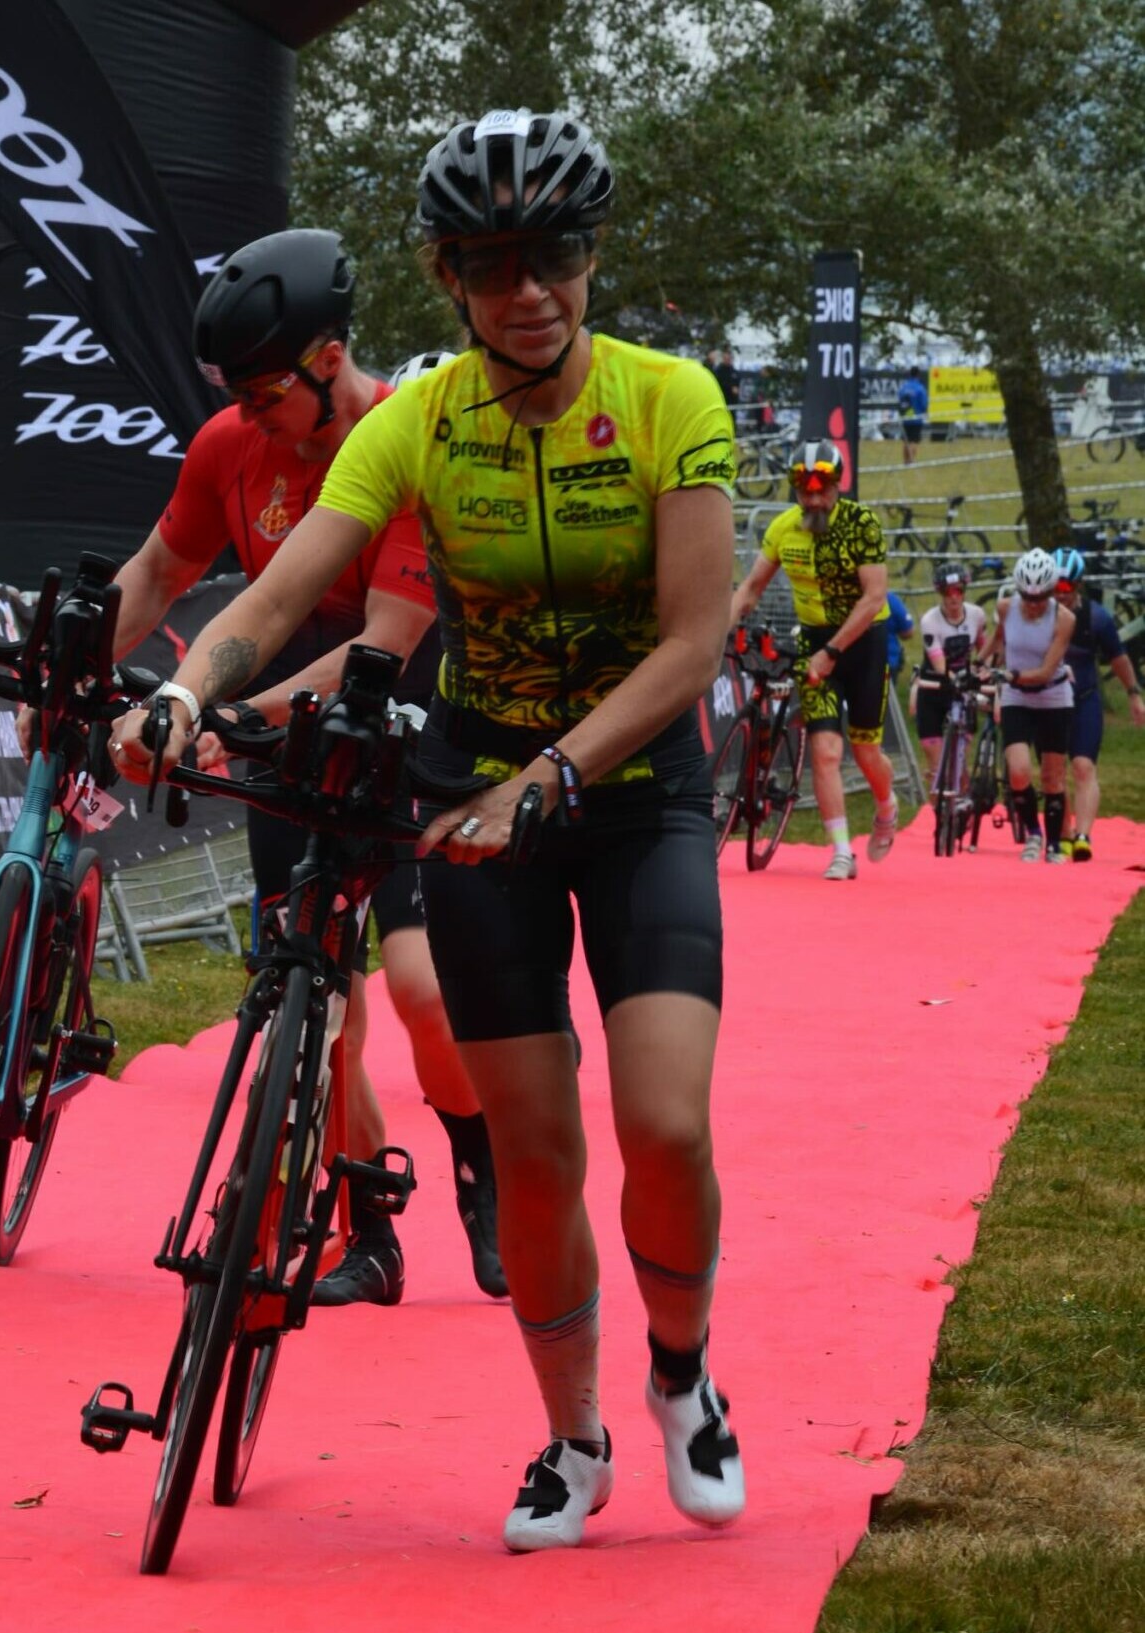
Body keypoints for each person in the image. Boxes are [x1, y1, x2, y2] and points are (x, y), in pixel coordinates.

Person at [115, 108, 744, 1552]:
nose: (527, 289)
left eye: (556, 253)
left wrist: (553, 778)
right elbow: (274, 599)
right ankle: (571, 1440)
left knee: (658, 1120)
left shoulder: (669, 400)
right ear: (445, 274)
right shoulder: (418, 419)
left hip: (636, 792)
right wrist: (183, 690)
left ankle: (680, 1369)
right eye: (489, 261)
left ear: (591, 259)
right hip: (473, 796)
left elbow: (689, 647)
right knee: (531, 1149)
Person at [96, 229, 503, 1305]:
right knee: (313, 1013)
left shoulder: (406, 437)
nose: (247, 413)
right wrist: (101, 677)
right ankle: (370, 1234)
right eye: (233, 392)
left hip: (396, 716)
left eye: (265, 390)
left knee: (418, 990)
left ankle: (478, 1155)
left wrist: (221, 716)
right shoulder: (231, 443)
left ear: (330, 359)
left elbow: (389, 634)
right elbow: (157, 568)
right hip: (284, 736)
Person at [730, 439, 898, 879]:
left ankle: (886, 804)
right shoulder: (785, 528)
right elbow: (750, 588)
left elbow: (874, 596)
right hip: (814, 641)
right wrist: (717, 633)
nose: (814, 498)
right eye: (805, 490)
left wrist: (832, 652)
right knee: (824, 751)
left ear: (837, 486)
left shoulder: (861, 524)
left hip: (864, 640)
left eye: (821, 489)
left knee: (865, 752)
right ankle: (841, 850)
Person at [1053, 546, 1145, 861]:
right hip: (1049, 702)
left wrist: (1133, 694)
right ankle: (1063, 834)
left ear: (1078, 585)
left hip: (1084, 699)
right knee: (1054, 770)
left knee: (1083, 766)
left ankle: (1083, 835)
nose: (1060, 594)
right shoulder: (1039, 615)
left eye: (1066, 587)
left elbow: (1119, 659)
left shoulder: (1096, 617)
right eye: (1055, 586)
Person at [994, 546, 1076, 862]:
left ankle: (1054, 842)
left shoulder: (1064, 618)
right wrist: (982, 663)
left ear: (1051, 593)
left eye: (1039, 599)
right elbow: (999, 640)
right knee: (1018, 771)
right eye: (1027, 598)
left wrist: (1011, 674)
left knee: (1053, 776)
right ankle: (1033, 833)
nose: (1032, 606)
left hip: (1053, 697)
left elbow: (1043, 672)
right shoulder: (1004, 608)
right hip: (1017, 698)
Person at [910, 563, 992, 785]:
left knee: (959, 763)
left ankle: (962, 808)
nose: (954, 598)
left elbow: (984, 651)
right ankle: (939, 813)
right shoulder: (930, 620)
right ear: (940, 594)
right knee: (937, 769)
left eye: (959, 591)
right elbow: (938, 664)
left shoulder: (977, 615)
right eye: (948, 592)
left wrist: (983, 670)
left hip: (962, 689)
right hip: (935, 687)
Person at [897, 367, 929, 464]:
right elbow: (924, 404)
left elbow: (899, 400)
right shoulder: (920, 388)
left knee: (906, 440)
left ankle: (905, 460)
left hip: (905, 417)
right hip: (916, 418)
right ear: (918, 375)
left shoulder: (903, 387)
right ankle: (911, 460)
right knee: (914, 441)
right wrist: (924, 412)